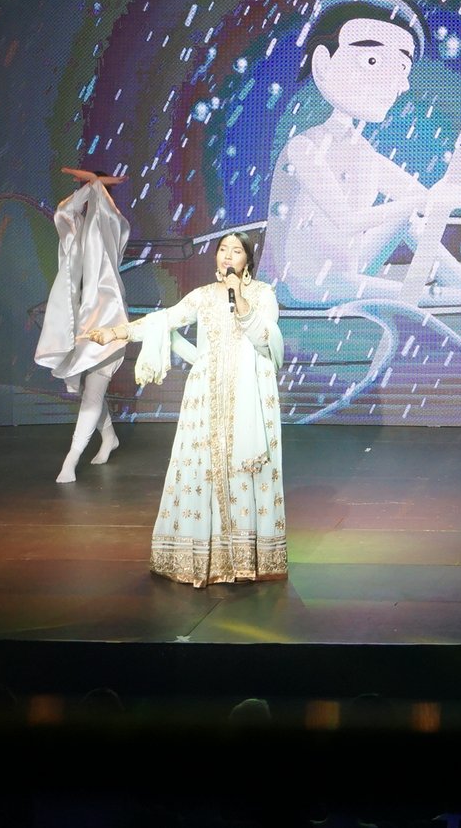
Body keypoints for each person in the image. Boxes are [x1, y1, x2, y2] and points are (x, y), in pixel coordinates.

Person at [265, 0, 461, 308]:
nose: (396, 83)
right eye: (372, 60)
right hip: (304, 285)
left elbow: (433, 201)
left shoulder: (364, 153)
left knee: (411, 222)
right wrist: (416, 203)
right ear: (322, 64)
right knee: (426, 291)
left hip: (346, 273)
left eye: (402, 67)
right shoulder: (304, 147)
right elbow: (347, 222)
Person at [88, 232, 287, 586]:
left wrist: (239, 297)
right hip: (206, 396)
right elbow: (163, 320)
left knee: (246, 469)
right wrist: (115, 333)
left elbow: (264, 338)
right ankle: (206, 559)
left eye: (236, 251)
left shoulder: (262, 295)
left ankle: (247, 559)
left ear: (247, 261)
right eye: (222, 249)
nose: (228, 256)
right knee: (204, 469)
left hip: (251, 398)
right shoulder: (203, 296)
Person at [34, 167, 130, 481]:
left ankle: (71, 460)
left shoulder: (114, 224)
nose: (87, 195)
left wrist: (95, 184)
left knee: (93, 392)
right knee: (85, 389)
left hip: (109, 320)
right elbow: (63, 212)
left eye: (91, 189)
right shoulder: (78, 226)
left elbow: (102, 211)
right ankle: (109, 436)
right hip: (82, 321)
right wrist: (91, 184)